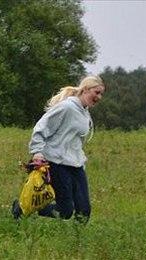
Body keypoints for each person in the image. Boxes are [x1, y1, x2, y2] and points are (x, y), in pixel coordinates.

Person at [12, 75, 105, 223]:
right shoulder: (67, 107)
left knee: (84, 211)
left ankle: (77, 242)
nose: (99, 97)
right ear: (86, 89)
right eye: (97, 92)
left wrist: (79, 159)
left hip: (76, 165)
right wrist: (37, 152)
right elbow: (42, 127)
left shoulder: (84, 111)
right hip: (57, 163)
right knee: (65, 211)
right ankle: (22, 207)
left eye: (101, 94)